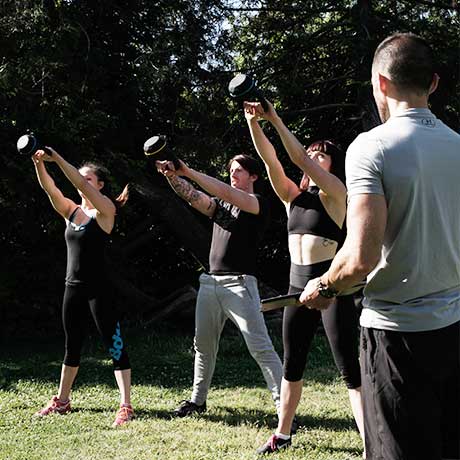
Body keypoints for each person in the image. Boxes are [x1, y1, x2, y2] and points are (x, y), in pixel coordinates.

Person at [300, 32, 460, 460]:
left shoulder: (371, 147)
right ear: (433, 83)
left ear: (382, 83)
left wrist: (324, 287)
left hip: (396, 338)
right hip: (454, 330)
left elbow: (359, 259)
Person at [244, 102, 365, 455]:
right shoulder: (292, 198)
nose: (313, 158)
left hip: (331, 289)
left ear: (331, 165)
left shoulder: (336, 195)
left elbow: (299, 159)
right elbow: (272, 162)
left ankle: (370, 439)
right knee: (292, 364)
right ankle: (282, 433)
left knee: (349, 370)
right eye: (312, 152)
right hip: (297, 290)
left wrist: (276, 117)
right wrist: (255, 124)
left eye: (320, 156)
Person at [155, 154, 283, 418]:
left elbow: (222, 189)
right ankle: (197, 401)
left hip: (240, 284)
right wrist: (173, 177)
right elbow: (193, 197)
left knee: (261, 348)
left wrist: (188, 170)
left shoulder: (257, 203)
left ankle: (285, 410)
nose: (233, 174)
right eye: (231, 170)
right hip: (210, 282)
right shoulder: (222, 205)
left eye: (239, 171)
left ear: (254, 176)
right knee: (203, 346)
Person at [32, 147, 134, 427]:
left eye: (88, 179)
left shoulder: (106, 212)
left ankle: (126, 406)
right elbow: (51, 189)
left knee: (114, 345)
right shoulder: (71, 212)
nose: (82, 182)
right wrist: (39, 163)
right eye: (83, 179)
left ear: (100, 185)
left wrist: (58, 158)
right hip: (72, 288)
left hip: (99, 290)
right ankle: (62, 401)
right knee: (71, 345)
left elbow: (76, 182)